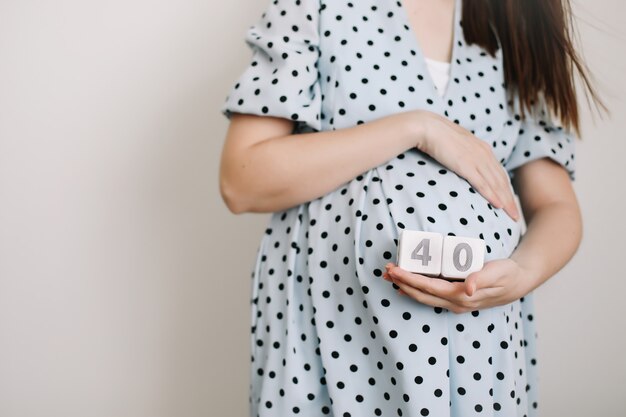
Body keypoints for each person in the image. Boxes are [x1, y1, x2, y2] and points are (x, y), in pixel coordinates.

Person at [218, 0, 605, 416]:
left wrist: (524, 272)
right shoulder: (318, 7)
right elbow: (242, 181)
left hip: (477, 348)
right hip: (336, 339)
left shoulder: (509, 26)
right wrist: (417, 128)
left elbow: (556, 205)